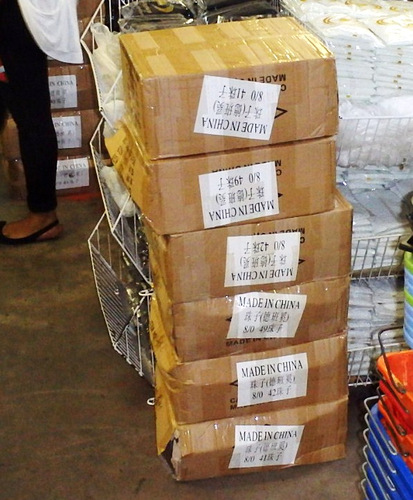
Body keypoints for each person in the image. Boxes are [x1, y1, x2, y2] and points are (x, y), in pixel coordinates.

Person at [0, 0, 83, 245]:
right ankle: (43, 213)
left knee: (31, 114)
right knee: (27, 110)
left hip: (18, 12)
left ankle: (43, 214)